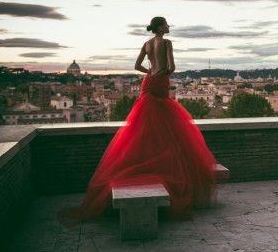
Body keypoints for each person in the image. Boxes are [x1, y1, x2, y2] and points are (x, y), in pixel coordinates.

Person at [60, 16, 217, 221]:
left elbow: (137, 65)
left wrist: (150, 72)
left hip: (148, 82)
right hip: (160, 82)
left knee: (146, 122)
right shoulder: (167, 42)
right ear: (161, 26)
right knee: (166, 122)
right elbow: (171, 67)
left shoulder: (147, 43)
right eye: (167, 24)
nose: (169, 26)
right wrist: (161, 73)